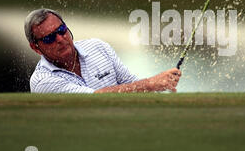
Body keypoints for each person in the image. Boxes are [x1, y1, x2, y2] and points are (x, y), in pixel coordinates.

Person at [24, 8, 181, 93]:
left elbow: (132, 84)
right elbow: (94, 100)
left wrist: (161, 83)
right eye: (49, 38)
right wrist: (151, 84)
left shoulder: (97, 47)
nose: (60, 39)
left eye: (62, 29)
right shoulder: (42, 82)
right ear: (35, 48)